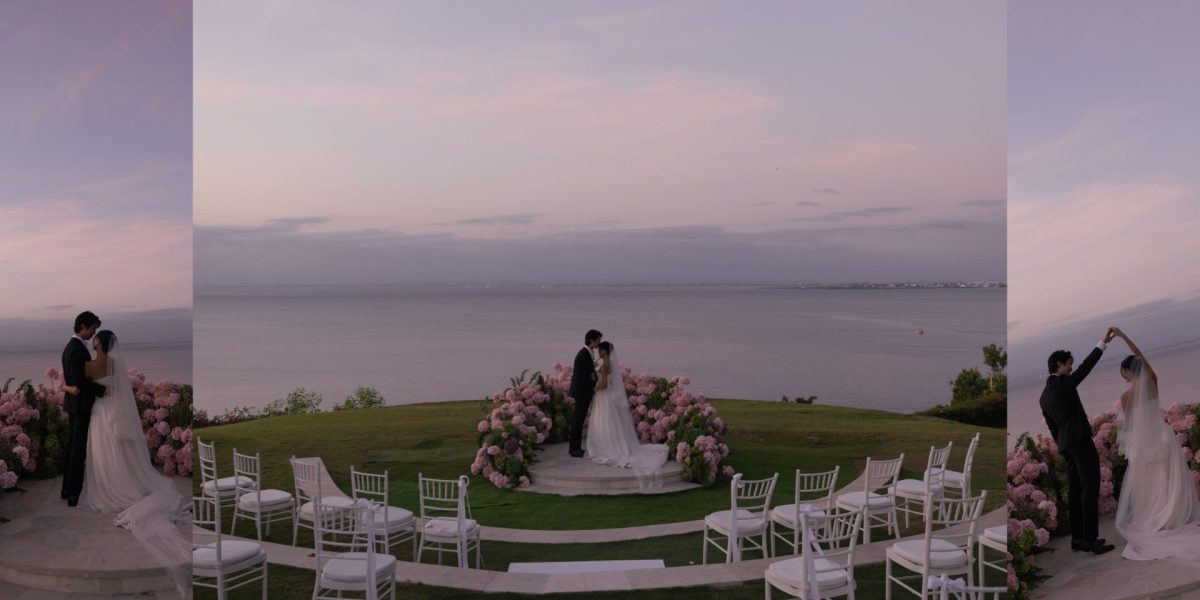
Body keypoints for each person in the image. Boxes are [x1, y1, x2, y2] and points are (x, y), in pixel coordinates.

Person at [63, 330, 191, 595]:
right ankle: (127, 481)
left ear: (98, 343)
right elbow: (123, 394)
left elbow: (76, 386)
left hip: (99, 414)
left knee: (100, 452)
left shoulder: (89, 365)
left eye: (96, 337)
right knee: (119, 453)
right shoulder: (118, 365)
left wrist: (64, 387)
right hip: (116, 415)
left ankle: (109, 483)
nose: (94, 338)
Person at [1110, 327, 1200, 561]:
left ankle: (1157, 515)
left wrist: (1132, 446)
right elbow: (1141, 356)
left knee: (1150, 484)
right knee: (1168, 480)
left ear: (1129, 371)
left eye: (1124, 372)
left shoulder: (1125, 397)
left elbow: (1129, 426)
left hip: (1143, 444)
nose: (1124, 376)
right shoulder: (1153, 382)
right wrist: (1122, 336)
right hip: (1162, 437)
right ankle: (1174, 515)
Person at [1040, 327, 1117, 555]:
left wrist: (1062, 445)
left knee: (1075, 489)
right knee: (1090, 486)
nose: (1071, 367)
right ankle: (1091, 539)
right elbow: (1086, 368)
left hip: (1067, 445)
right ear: (1059, 365)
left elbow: (1052, 427)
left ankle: (1078, 539)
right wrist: (1102, 343)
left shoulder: (1044, 396)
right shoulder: (1063, 383)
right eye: (1068, 364)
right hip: (1080, 441)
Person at [585, 342, 668, 487]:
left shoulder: (604, 364)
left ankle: (606, 446)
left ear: (604, 350)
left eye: (600, 349)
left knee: (604, 421)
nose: (598, 351)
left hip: (603, 395)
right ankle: (608, 443)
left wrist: (592, 386)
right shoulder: (607, 362)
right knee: (608, 421)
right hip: (606, 397)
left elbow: (604, 384)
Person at [60, 311, 106, 506]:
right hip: (80, 405)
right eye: (93, 329)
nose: (93, 333)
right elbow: (79, 382)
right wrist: (104, 390)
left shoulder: (69, 347)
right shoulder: (78, 349)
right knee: (78, 449)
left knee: (72, 446)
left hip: (72, 403)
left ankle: (66, 489)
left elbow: (72, 380)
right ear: (83, 326)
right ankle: (74, 494)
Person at [568, 329, 603, 457]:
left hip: (582, 391)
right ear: (592, 340)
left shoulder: (587, 353)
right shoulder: (584, 355)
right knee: (578, 420)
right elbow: (583, 377)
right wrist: (594, 384)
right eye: (598, 340)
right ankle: (574, 449)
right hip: (582, 392)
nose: (599, 343)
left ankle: (575, 448)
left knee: (579, 420)